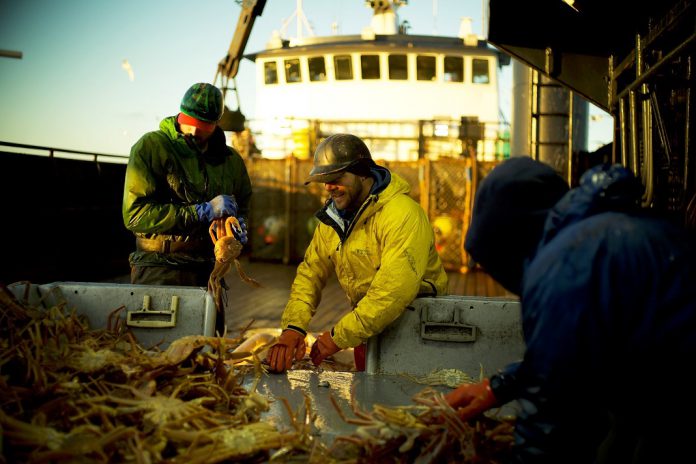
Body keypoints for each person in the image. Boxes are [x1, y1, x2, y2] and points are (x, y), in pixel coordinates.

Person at [444, 156, 696, 463]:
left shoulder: (563, 266)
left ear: (512, 239)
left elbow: (552, 416)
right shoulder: (603, 233)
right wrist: (499, 386)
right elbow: (571, 354)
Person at [265, 133, 449, 372]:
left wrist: (337, 337)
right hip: (370, 328)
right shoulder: (333, 220)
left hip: (419, 334)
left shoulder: (402, 214)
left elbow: (391, 292)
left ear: (363, 173)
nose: (329, 187)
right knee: (369, 397)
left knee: (411, 400)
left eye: (336, 178)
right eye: (325, 180)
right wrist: (293, 329)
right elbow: (311, 273)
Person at [122, 82, 252, 333]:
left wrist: (240, 227)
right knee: (156, 347)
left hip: (208, 271)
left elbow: (243, 204)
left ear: (215, 125)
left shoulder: (231, 160)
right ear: (179, 114)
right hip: (159, 268)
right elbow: (135, 216)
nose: (194, 130)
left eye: (203, 126)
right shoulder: (151, 147)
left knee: (208, 353)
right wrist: (200, 211)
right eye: (188, 120)